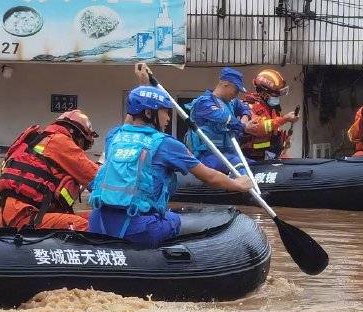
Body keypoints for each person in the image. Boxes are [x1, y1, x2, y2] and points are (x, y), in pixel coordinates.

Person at [88, 85, 252, 248]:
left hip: (98, 224)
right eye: (165, 111)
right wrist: (238, 184)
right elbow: (210, 176)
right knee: (173, 219)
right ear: (148, 113)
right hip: (137, 230)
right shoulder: (166, 144)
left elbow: (128, 123)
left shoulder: (114, 136)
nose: (168, 118)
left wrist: (144, 85)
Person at [0, 109, 100, 231]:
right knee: (88, 225)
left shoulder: (36, 139)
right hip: (28, 217)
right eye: (85, 144)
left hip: (12, 215)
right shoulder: (61, 142)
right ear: (77, 135)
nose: (82, 149)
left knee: (95, 217)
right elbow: (98, 178)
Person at [186, 67, 271, 170]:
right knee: (241, 167)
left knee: (258, 167)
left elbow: (244, 106)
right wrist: (243, 127)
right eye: (235, 90)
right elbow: (224, 118)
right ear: (226, 84)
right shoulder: (204, 103)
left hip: (228, 154)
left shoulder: (230, 102)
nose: (236, 94)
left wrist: (245, 118)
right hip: (207, 156)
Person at [239, 69, 300, 164]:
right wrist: (285, 119)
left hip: (270, 156)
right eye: (274, 95)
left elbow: (275, 127)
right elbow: (258, 127)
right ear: (264, 93)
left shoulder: (271, 108)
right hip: (251, 158)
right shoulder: (248, 105)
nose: (277, 99)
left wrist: (284, 141)